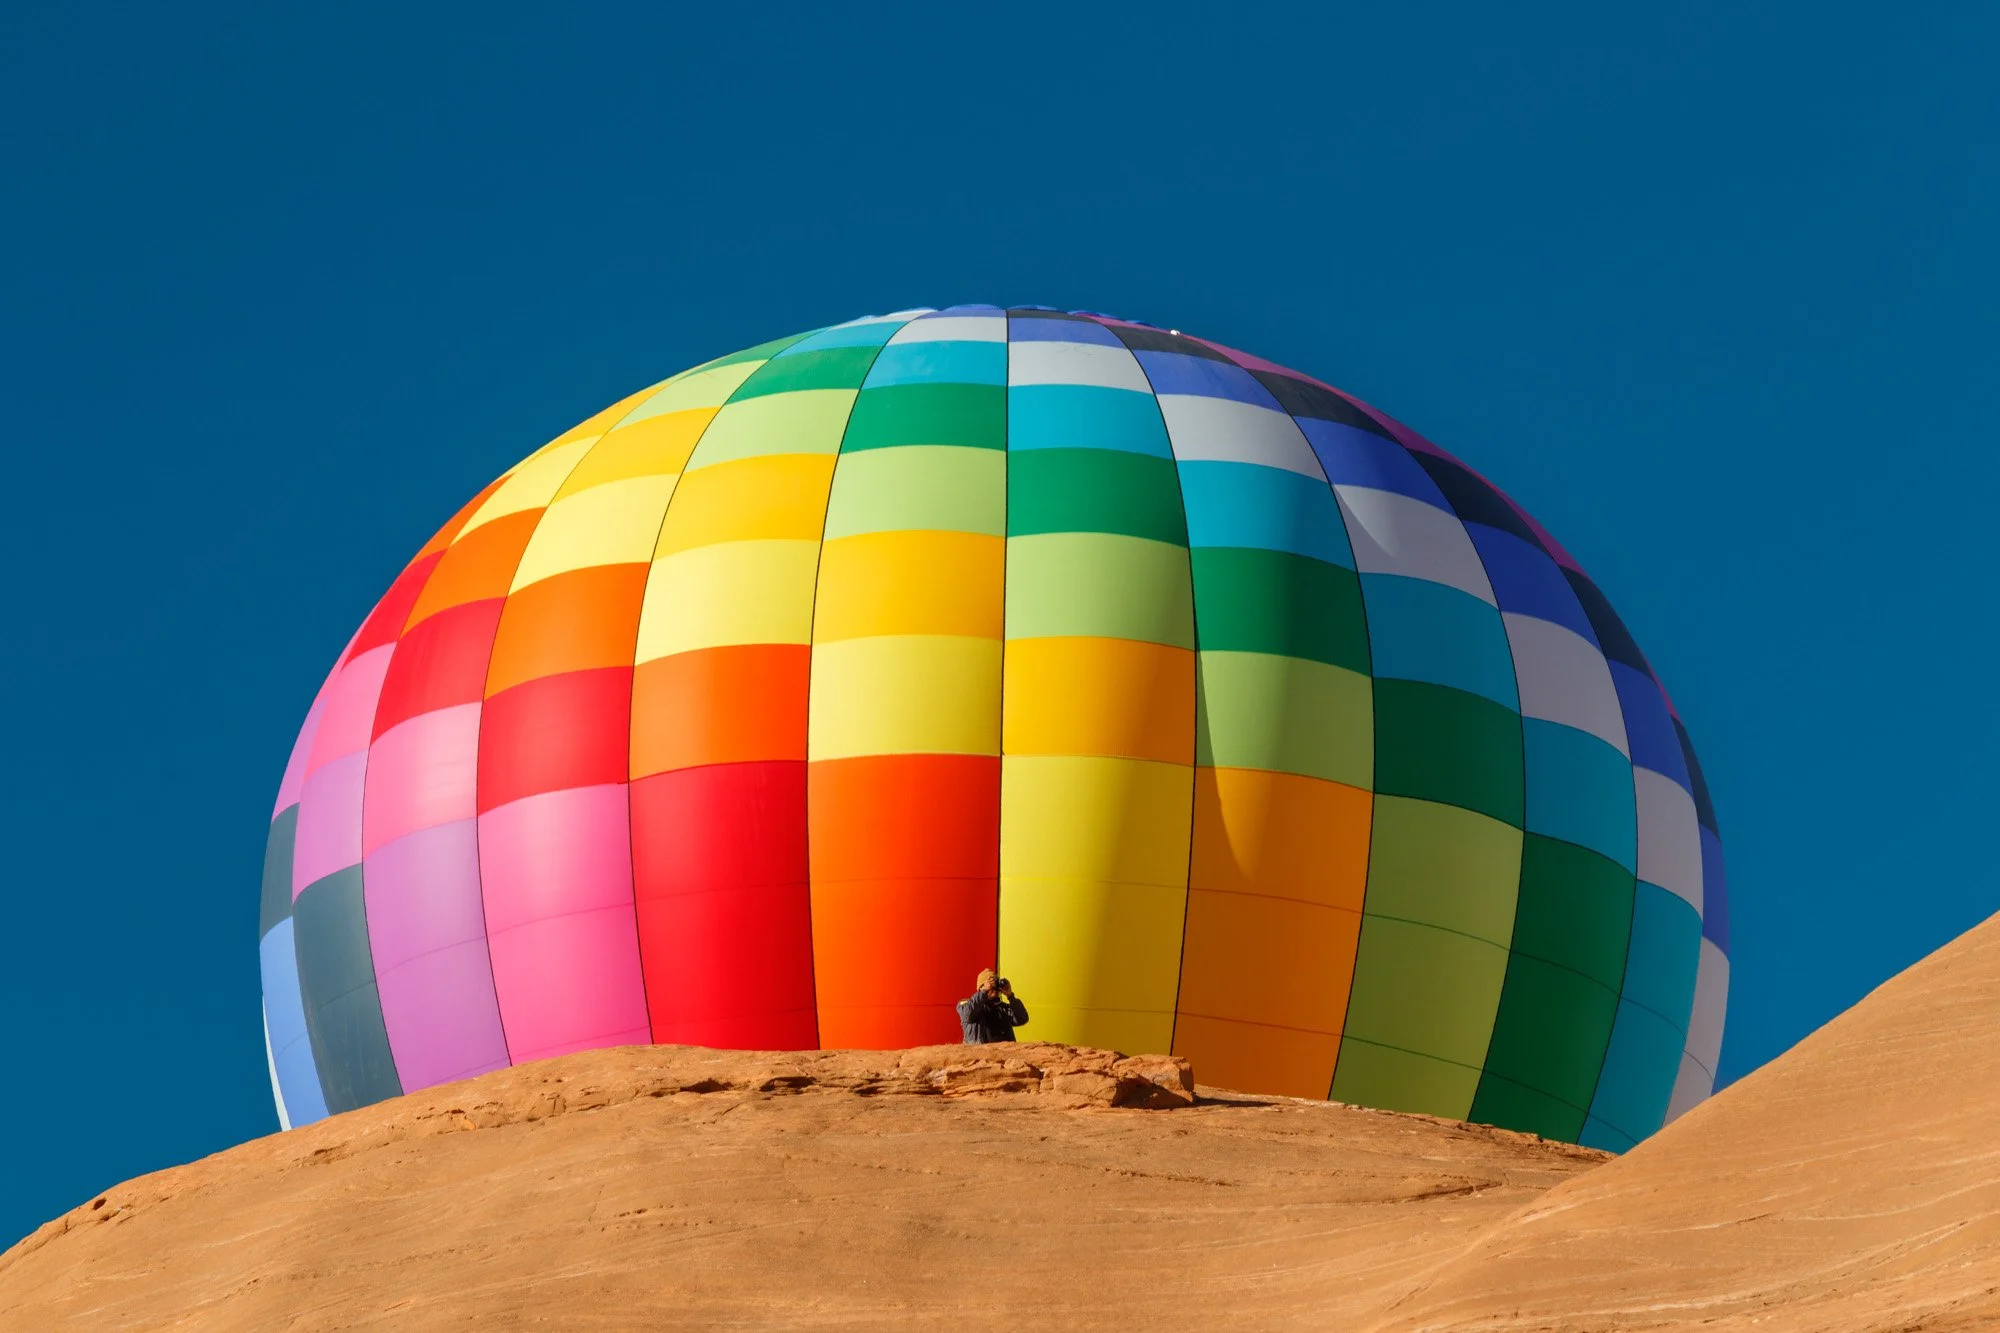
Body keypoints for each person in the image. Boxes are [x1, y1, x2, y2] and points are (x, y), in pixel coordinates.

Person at [956, 968, 1029, 1045]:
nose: (994, 989)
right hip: (979, 1055)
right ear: (981, 988)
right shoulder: (967, 1005)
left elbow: (1022, 1019)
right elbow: (967, 1014)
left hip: (1003, 1055)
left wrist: (1011, 996)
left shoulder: (1002, 1008)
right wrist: (984, 991)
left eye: (995, 986)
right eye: (990, 985)